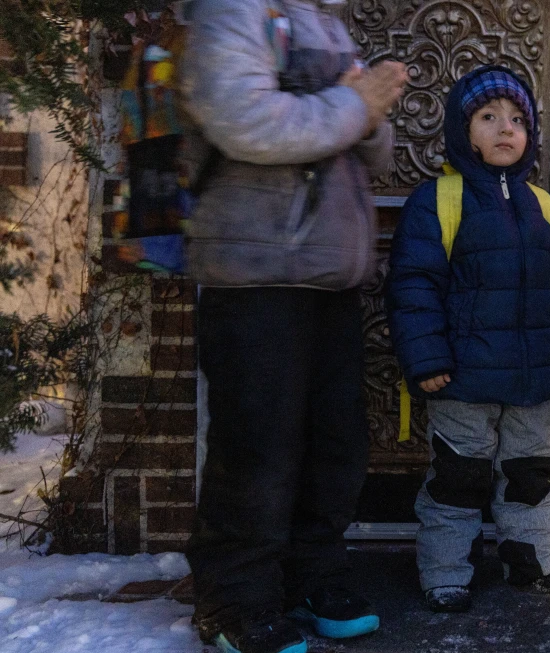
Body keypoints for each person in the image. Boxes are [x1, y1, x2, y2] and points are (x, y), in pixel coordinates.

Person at [180, 1, 407, 651]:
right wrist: (357, 104)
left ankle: (313, 575)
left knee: (333, 445)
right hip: (257, 275)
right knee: (258, 448)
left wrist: (369, 113)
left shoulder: (325, 22)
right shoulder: (232, 9)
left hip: (329, 275)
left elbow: (376, 153)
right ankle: (234, 597)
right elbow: (244, 121)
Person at [385, 65, 550, 613]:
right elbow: (414, 285)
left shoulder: (548, 207)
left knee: (529, 472)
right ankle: (446, 571)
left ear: (529, 134)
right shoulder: (439, 200)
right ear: (464, 133)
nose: (505, 128)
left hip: (535, 378)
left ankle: (532, 558)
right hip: (462, 378)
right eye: (488, 117)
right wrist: (426, 358)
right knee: (458, 475)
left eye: (517, 120)